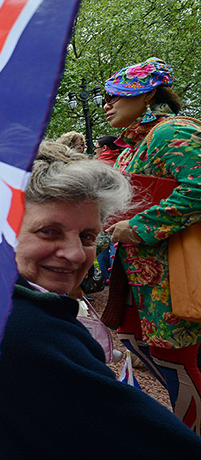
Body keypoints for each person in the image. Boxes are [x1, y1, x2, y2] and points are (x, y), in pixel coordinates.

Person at [0, 147, 201, 460]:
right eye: (50, 231)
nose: (76, 254)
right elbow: (167, 457)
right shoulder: (22, 333)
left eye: (88, 236)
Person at [100, 57, 201, 434]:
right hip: (142, 281)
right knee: (152, 352)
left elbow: (199, 187)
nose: (107, 105)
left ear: (145, 95)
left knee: (181, 362)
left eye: (114, 96)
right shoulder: (129, 147)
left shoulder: (171, 132)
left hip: (177, 277)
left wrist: (139, 227)